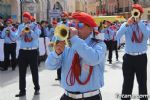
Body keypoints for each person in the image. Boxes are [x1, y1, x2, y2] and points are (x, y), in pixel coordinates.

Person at [45, 12, 106, 100]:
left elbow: (93, 59)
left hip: (90, 97)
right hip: (67, 96)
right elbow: (49, 66)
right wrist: (56, 53)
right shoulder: (67, 45)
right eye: (73, 24)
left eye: (80, 25)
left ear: (90, 29)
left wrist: (74, 39)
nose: (75, 28)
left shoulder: (99, 45)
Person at [116, 4, 149, 100]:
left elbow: (147, 35)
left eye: (137, 12)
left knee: (142, 83)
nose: (135, 14)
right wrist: (127, 24)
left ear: (141, 14)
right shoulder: (126, 24)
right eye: (134, 12)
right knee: (127, 83)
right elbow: (117, 35)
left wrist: (139, 22)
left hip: (141, 57)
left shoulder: (144, 24)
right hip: (128, 58)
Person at [15, 12, 41, 97]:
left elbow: (36, 36)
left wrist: (30, 30)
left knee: (34, 71)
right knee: (21, 72)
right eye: (24, 18)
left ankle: (37, 88)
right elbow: (16, 37)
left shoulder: (35, 26)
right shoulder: (20, 26)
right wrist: (21, 33)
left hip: (32, 51)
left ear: (29, 18)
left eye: (26, 18)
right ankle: (22, 91)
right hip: (23, 51)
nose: (25, 20)